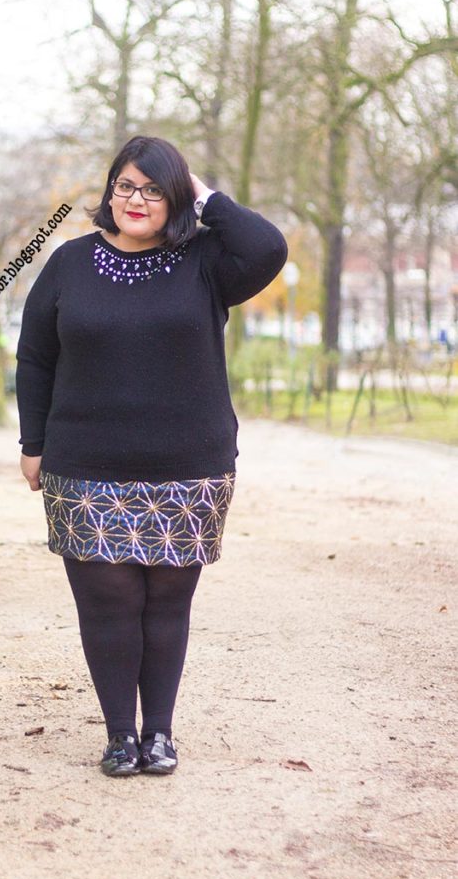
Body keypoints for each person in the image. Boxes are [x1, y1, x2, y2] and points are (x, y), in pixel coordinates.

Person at [15, 135, 288, 778]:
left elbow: (268, 248)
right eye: (125, 186)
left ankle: (159, 733)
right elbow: (35, 357)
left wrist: (202, 195)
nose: (135, 200)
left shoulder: (206, 261)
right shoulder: (68, 262)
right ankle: (119, 735)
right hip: (86, 466)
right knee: (107, 603)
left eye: (154, 189)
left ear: (178, 197)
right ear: (110, 191)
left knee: (167, 604)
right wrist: (33, 444)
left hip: (188, 465)